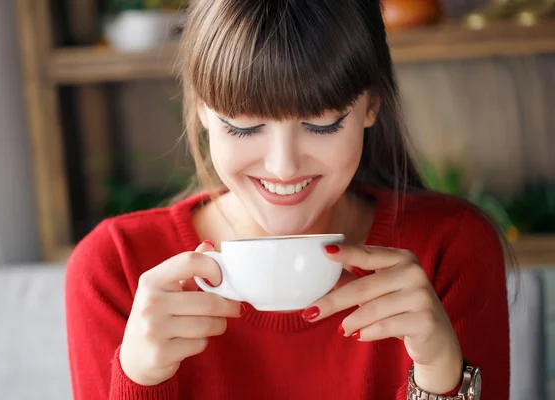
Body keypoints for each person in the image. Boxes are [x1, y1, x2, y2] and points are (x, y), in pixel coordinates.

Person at [65, 0, 510, 398]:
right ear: (202, 107)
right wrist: (139, 382)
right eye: (242, 126)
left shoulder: (451, 248)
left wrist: (439, 378)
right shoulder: (115, 267)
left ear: (372, 104)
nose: (283, 167)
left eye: (321, 125)